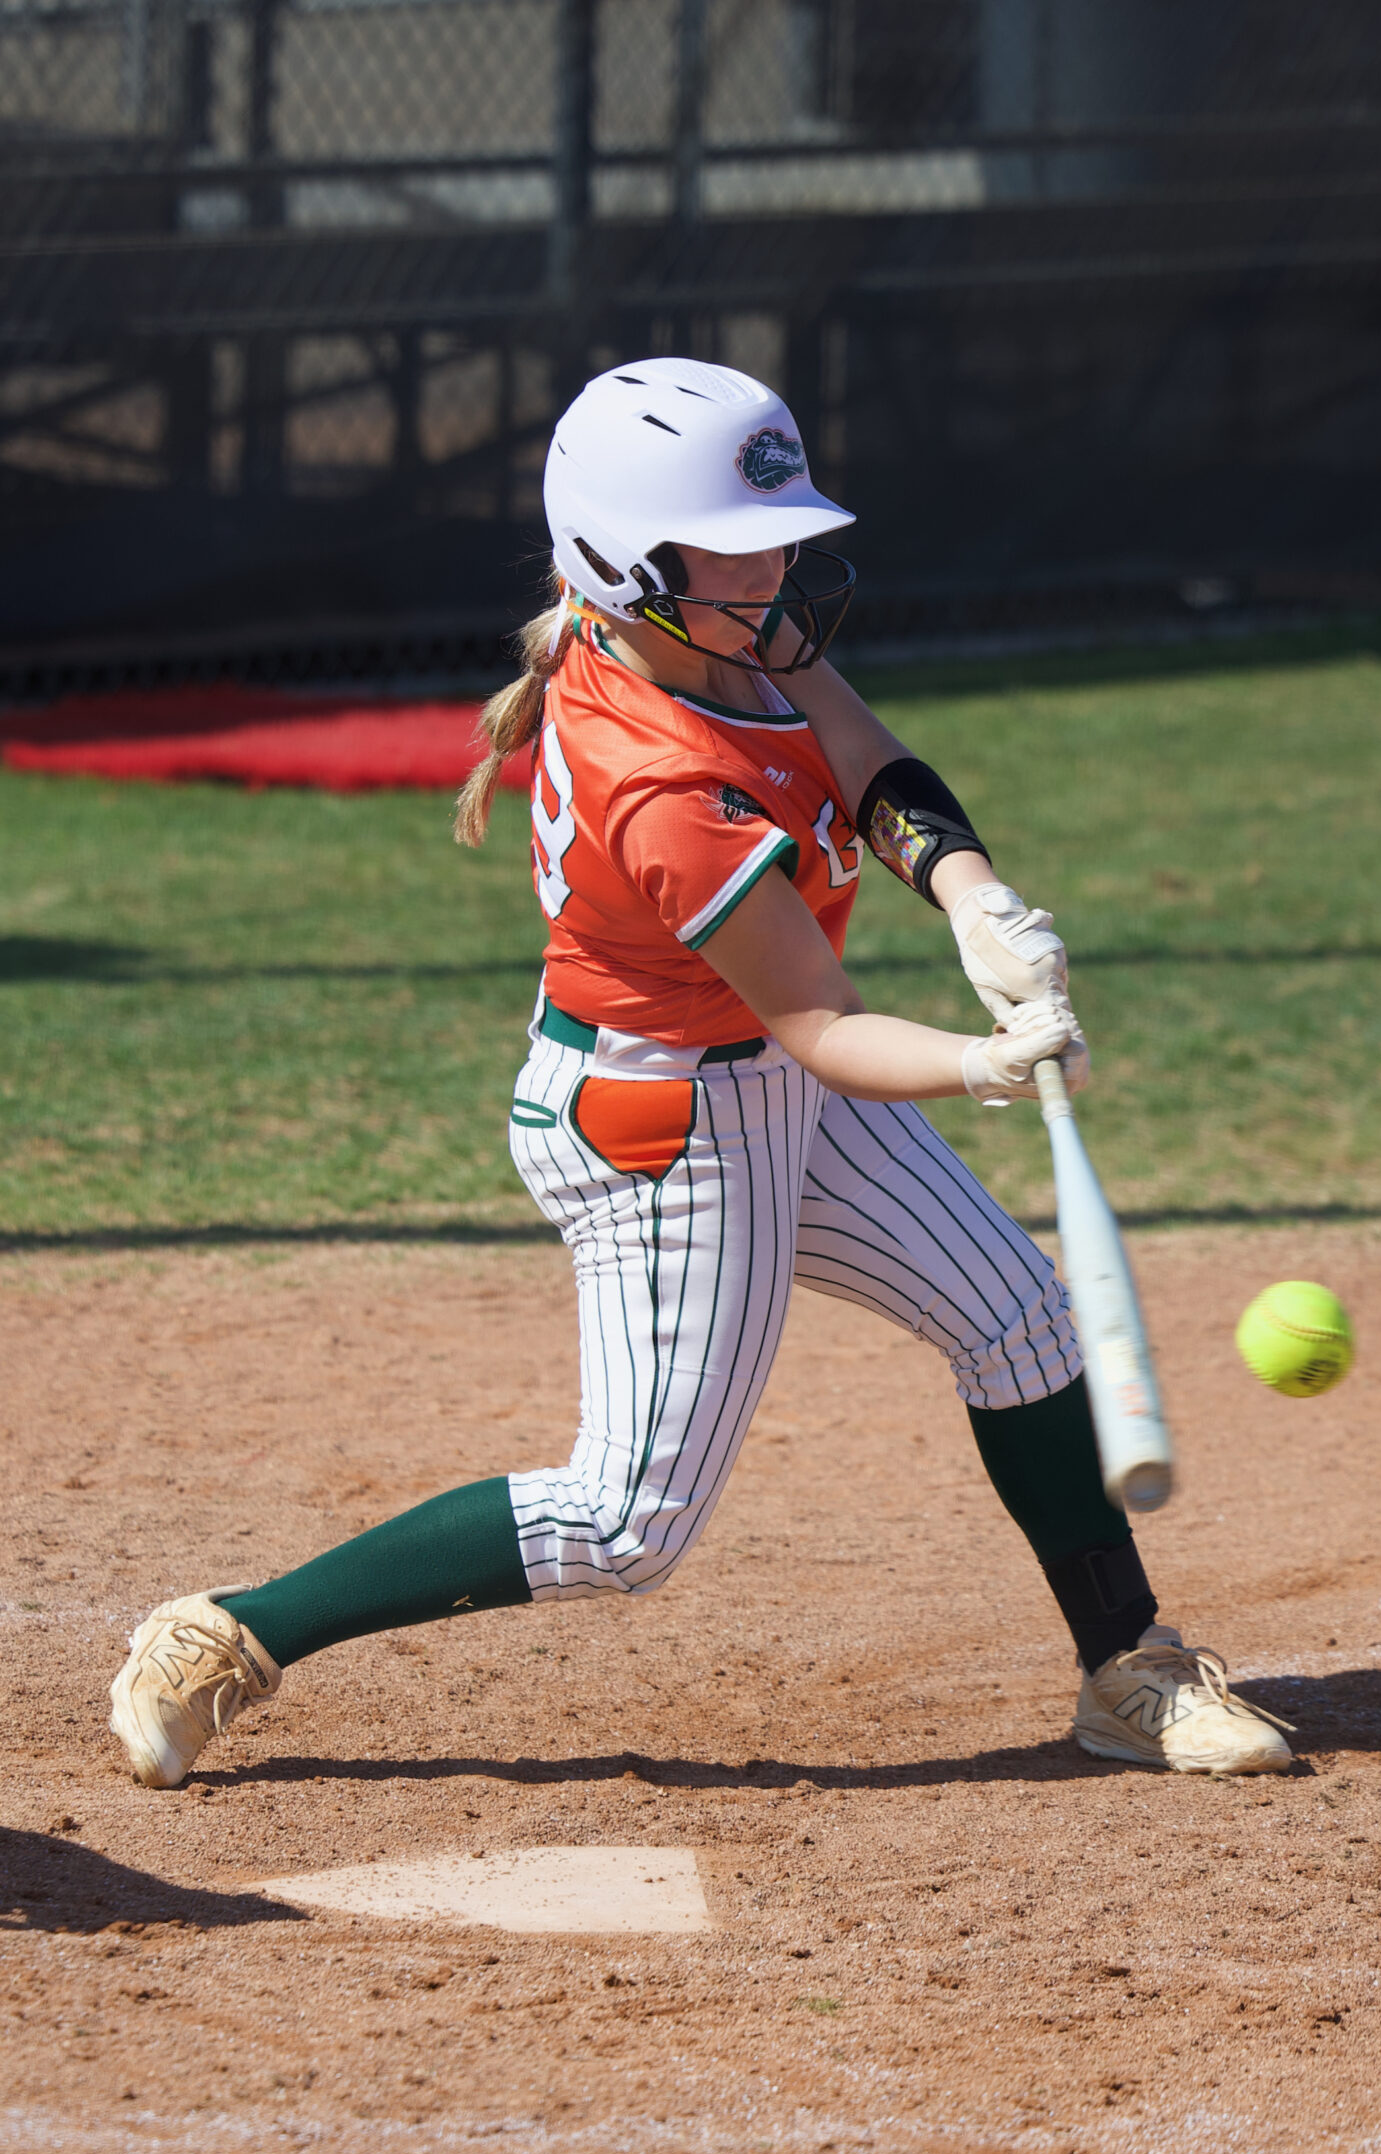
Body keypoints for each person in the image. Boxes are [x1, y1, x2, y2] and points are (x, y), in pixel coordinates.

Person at [108, 358, 1290, 1787]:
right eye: (735, 545)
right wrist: (985, 1061)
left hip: (764, 1072)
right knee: (626, 1528)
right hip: (667, 1120)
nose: (774, 567)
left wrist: (974, 898)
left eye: (776, 534)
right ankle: (231, 1631)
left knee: (1020, 1324)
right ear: (629, 561)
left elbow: (867, 758)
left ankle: (1127, 1666)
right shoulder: (656, 779)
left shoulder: (714, 623)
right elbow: (820, 1026)